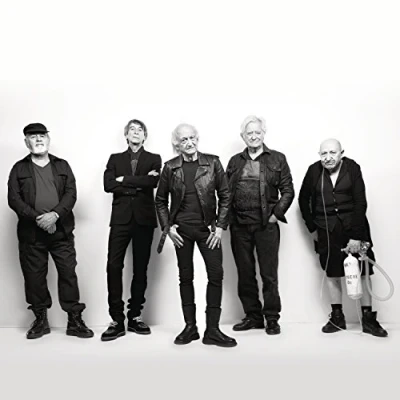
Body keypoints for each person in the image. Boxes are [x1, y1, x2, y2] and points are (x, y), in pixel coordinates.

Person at [7, 123, 94, 339]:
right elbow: (14, 199)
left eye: (41, 135)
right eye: (33, 136)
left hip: (61, 231)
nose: (38, 139)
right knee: (34, 277)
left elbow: (71, 194)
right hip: (31, 234)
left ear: (48, 139)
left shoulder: (62, 165)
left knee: (68, 274)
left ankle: (74, 321)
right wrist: (39, 219)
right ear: (26, 142)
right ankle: (40, 320)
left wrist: (54, 215)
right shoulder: (19, 169)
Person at [155, 123, 237, 347]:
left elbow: (225, 195)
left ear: (197, 138)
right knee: (185, 277)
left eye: (192, 137)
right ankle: (190, 327)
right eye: (184, 139)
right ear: (177, 144)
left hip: (207, 231)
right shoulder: (170, 167)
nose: (189, 142)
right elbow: (160, 200)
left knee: (216, 275)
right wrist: (168, 228)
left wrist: (220, 227)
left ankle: (213, 330)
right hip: (181, 232)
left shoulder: (213, 163)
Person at [298, 138, 388, 337]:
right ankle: (337, 318)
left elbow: (360, 202)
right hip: (326, 229)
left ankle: (368, 320)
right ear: (319, 155)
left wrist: (356, 236)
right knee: (332, 272)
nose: (328, 157)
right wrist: (312, 228)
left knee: (363, 272)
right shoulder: (313, 171)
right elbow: (303, 200)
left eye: (333, 153)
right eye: (324, 153)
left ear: (341, 153)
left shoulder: (352, 168)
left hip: (354, 227)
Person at [226, 115, 294, 335]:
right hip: (239, 226)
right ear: (243, 136)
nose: (253, 137)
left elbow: (288, 190)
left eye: (257, 132)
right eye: (249, 133)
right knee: (245, 273)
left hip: (266, 226)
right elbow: (225, 193)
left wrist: (275, 215)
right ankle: (253, 316)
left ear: (264, 134)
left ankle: (272, 318)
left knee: (269, 274)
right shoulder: (234, 161)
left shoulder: (277, 159)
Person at [101, 119, 161, 341]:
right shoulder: (115, 158)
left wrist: (124, 180)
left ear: (145, 136)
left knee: (140, 268)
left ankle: (135, 316)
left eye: (140, 130)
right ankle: (117, 320)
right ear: (126, 135)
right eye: (132, 130)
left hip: (144, 219)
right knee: (113, 266)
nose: (136, 132)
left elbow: (153, 183)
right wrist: (139, 184)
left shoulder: (154, 158)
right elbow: (108, 185)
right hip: (121, 219)